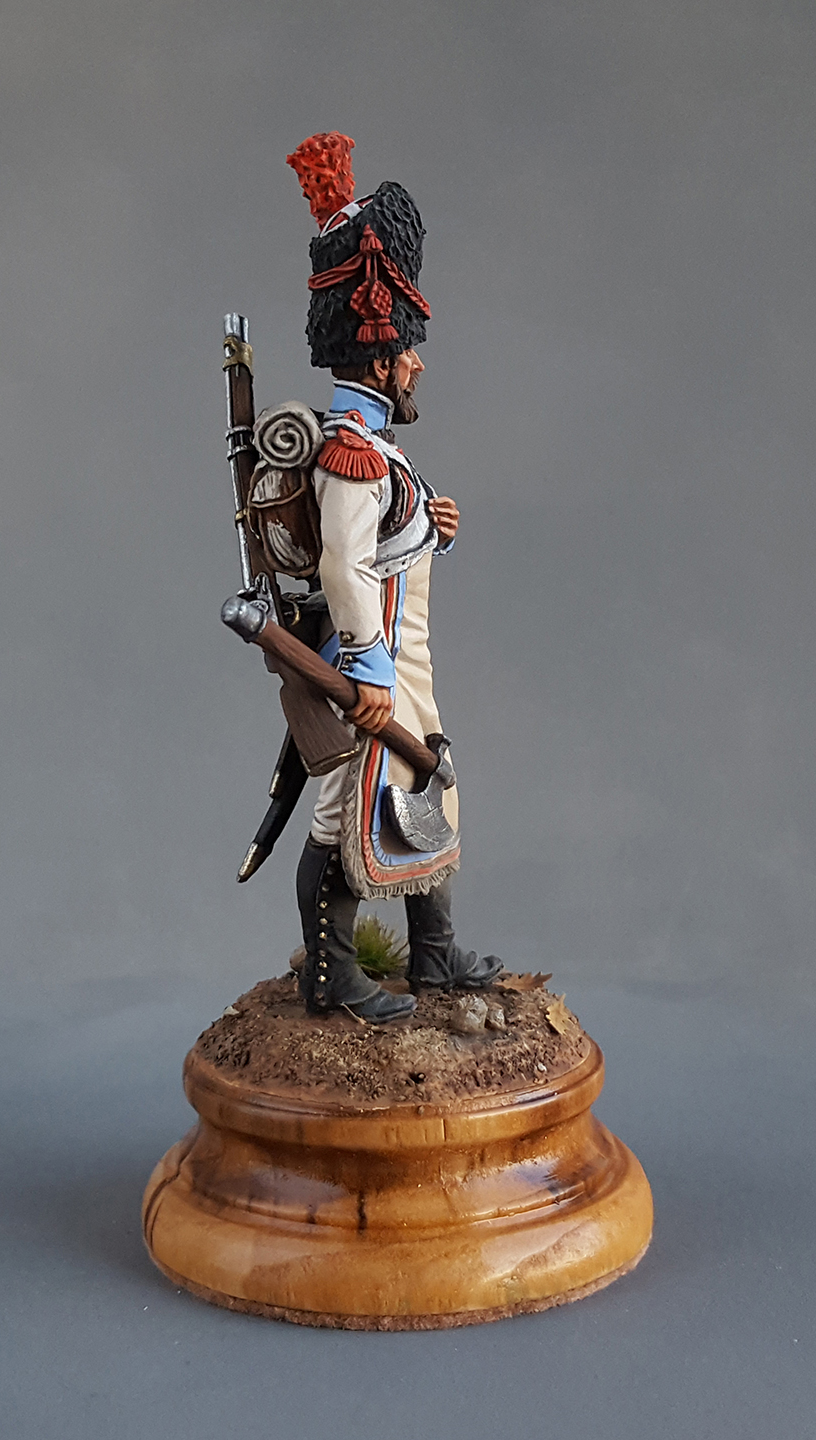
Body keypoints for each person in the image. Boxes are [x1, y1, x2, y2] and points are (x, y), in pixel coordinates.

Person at [287, 132, 502, 1022]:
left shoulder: (379, 451)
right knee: (345, 810)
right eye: (407, 349)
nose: (417, 362)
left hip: (407, 664)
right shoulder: (351, 455)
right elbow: (344, 564)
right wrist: (367, 669)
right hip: (372, 665)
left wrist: (431, 531)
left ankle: (435, 959)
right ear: (379, 359)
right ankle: (331, 977)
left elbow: (386, 547)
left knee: (429, 785)